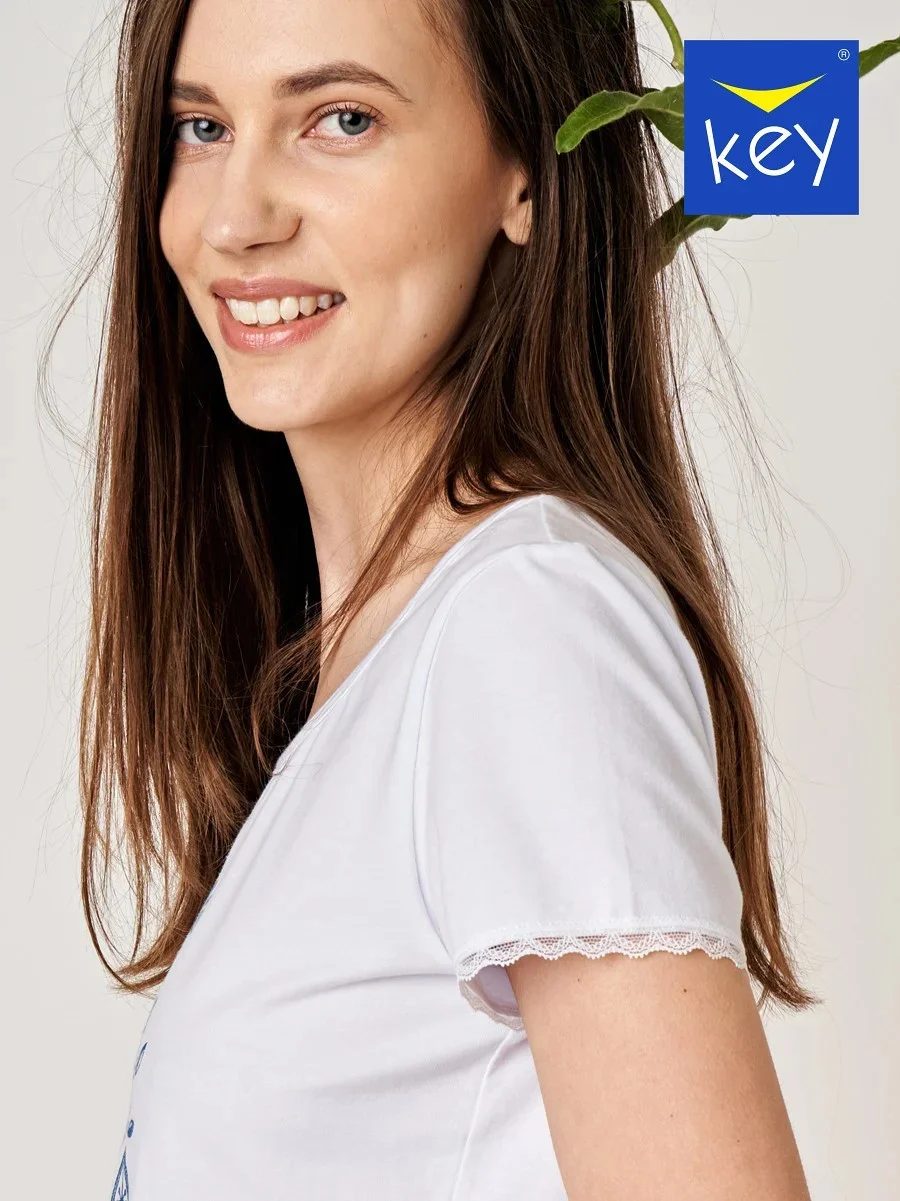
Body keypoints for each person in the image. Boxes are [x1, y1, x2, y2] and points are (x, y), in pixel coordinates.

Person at [55, 0, 819, 1197]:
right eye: (200, 127)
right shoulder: (384, 655)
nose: (235, 219)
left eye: (341, 119)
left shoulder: (528, 623)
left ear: (526, 172)